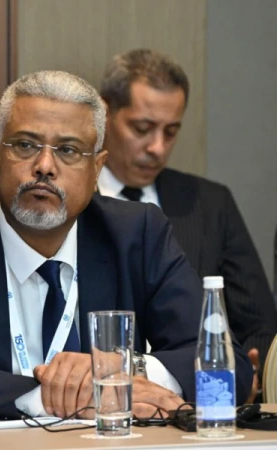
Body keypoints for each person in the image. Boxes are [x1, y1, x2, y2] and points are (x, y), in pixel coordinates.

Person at [0, 70, 253, 419]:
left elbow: (229, 367)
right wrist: (53, 396)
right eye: (25, 145)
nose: (44, 165)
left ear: (96, 168)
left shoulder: (138, 234)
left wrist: (123, 371)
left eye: (69, 150)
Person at [96, 49, 277, 393]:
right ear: (104, 114)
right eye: (142, 128)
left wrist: (252, 370)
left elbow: (258, 322)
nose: (157, 148)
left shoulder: (209, 202)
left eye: (171, 131)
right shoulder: (73, 204)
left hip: (195, 399)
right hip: (101, 400)